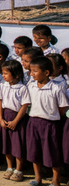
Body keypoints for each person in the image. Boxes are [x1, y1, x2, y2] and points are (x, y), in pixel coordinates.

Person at [26, 56, 69, 186]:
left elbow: (63, 108)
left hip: (50, 124)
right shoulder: (31, 86)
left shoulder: (57, 87)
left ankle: (56, 180)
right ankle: (37, 178)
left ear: (46, 73)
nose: (31, 74)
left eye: (34, 71)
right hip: (33, 122)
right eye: (31, 71)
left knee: (53, 152)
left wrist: (52, 116)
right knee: (35, 151)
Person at [0, 59, 30, 182]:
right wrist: (1, 119)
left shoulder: (22, 88)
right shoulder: (3, 85)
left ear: (17, 75)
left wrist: (16, 121)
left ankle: (18, 170)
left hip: (18, 118)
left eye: (6, 73)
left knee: (18, 145)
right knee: (7, 144)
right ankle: (9, 167)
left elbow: (25, 105)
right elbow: (0, 103)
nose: (3, 76)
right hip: (5, 116)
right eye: (3, 73)